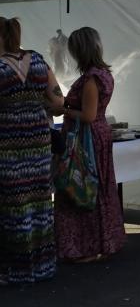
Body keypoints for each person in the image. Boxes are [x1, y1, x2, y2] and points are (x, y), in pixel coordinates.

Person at [54, 27, 126, 263]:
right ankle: (102, 241)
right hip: (97, 136)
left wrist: (61, 109)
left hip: (87, 139)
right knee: (98, 188)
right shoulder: (101, 74)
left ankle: (85, 246)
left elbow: (88, 115)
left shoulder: (91, 79)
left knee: (82, 188)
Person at [0, 17, 63, 284]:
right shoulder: (38, 61)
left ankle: (15, 270)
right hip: (38, 142)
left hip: (8, 145)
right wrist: (36, 107)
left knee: (12, 206)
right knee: (39, 202)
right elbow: (59, 101)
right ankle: (41, 265)